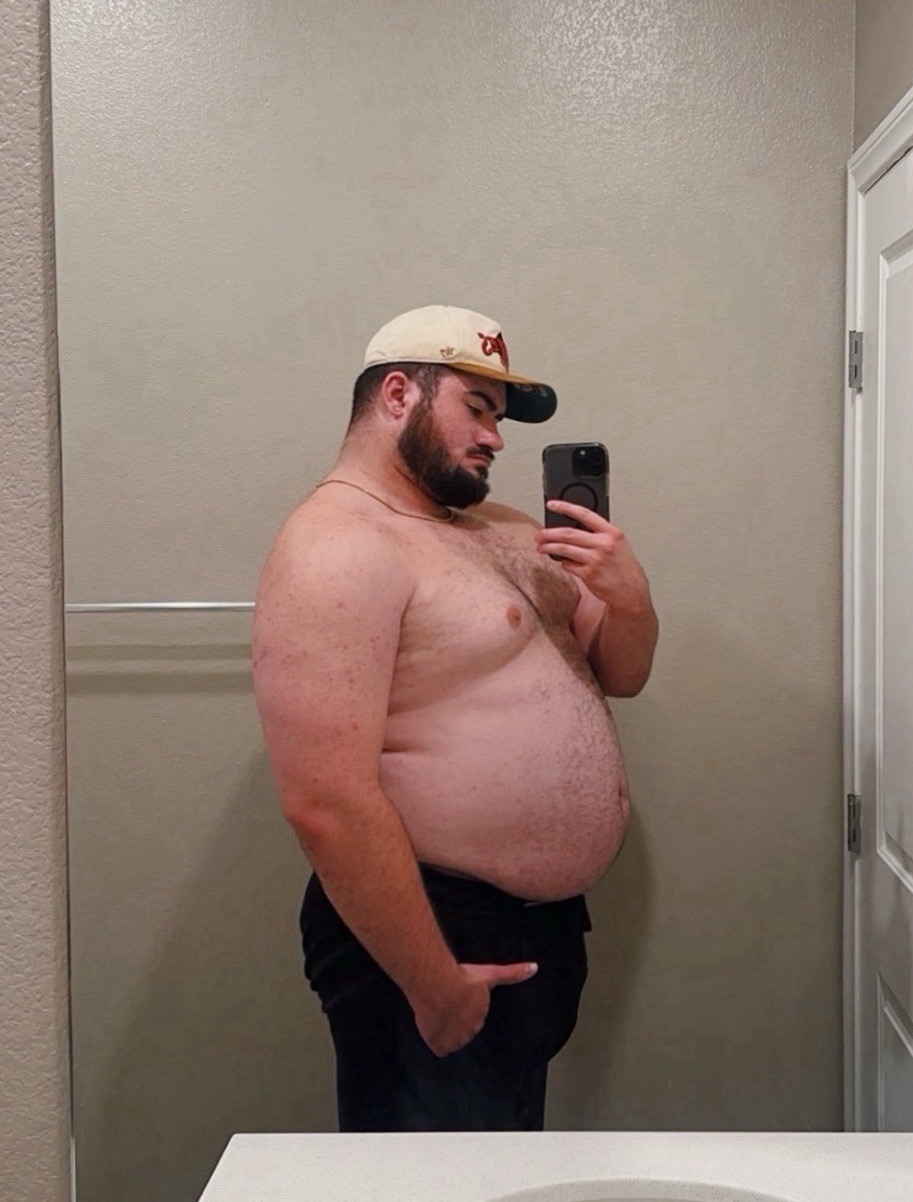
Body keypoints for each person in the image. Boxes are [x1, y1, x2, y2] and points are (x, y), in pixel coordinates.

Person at [251, 304, 658, 1132]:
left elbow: (623, 673)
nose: (494, 439)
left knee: (504, 1163)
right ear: (397, 394)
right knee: (430, 1179)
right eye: (476, 408)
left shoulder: (505, 531)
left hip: (538, 928)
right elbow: (324, 801)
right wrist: (431, 981)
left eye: (498, 418)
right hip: (431, 928)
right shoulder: (337, 545)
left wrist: (630, 600)